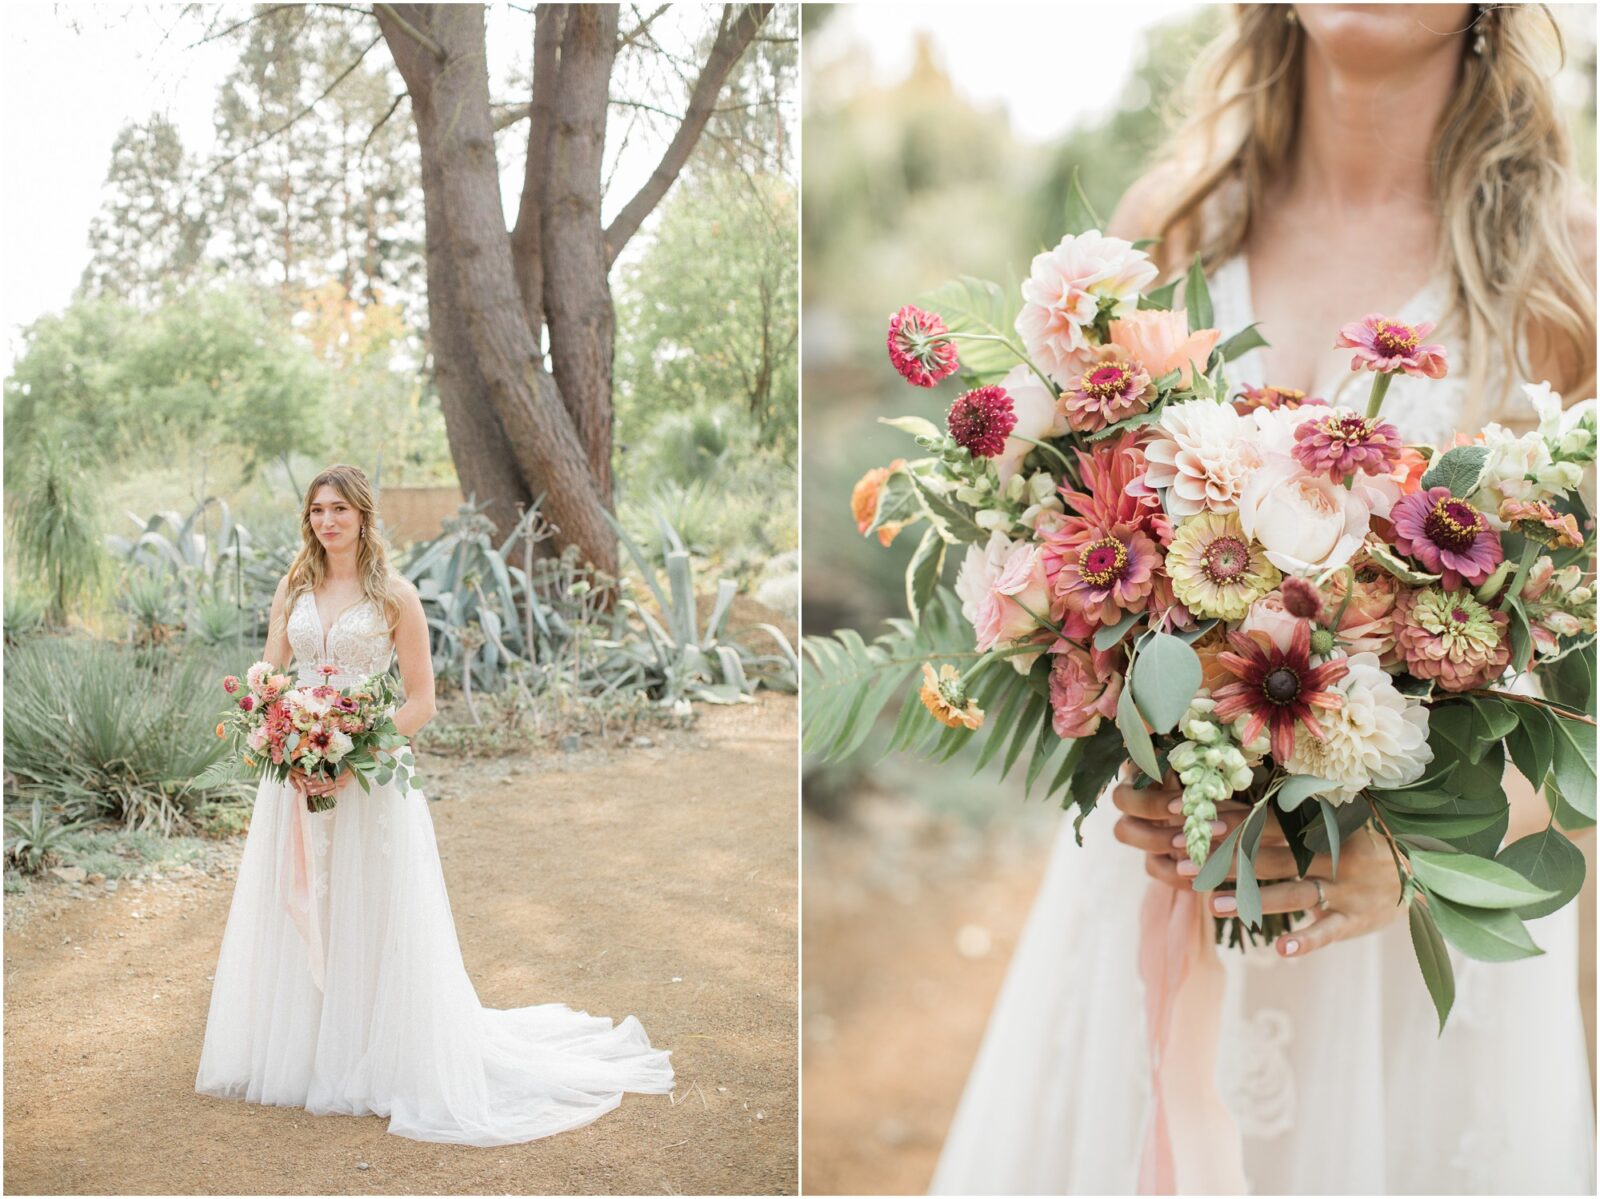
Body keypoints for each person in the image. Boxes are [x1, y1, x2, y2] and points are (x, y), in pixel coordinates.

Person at [931, 5, 1596, 1193]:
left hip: (1418, 957)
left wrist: (1431, 853)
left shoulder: (1568, 270)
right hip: (1172, 900)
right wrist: (1129, 732)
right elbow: (1085, 547)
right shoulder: (1168, 229)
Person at [196, 464, 672, 1145]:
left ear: (363, 515)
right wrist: (286, 733)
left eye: (339, 508)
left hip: (366, 776)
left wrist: (351, 748)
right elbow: (271, 674)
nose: (327, 520)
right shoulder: (293, 586)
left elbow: (422, 700)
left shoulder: (395, 595)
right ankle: (301, 1054)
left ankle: (372, 1053)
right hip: (295, 776)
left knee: (367, 908)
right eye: (318, 509)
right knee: (301, 903)